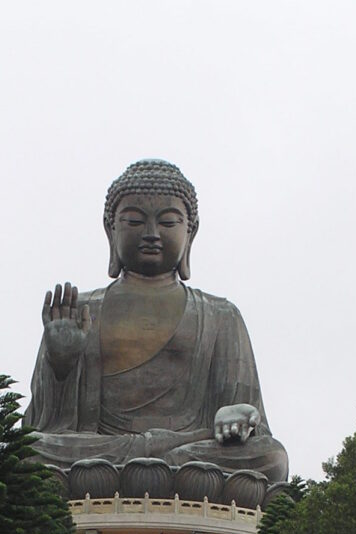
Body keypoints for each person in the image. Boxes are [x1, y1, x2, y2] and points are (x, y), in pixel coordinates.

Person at [24, 159, 289, 495]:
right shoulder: (80, 310)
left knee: (271, 457)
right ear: (111, 231)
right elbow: (41, 424)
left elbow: (251, 424)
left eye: (167, 222)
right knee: (25, 451)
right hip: (102, 451)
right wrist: (60, 366)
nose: (151, 234)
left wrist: (238, 416)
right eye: (134, 221)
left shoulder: (220, 315)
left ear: (189, 233)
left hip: (189, 450)